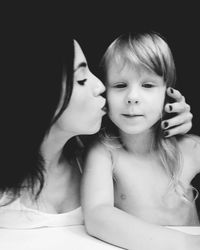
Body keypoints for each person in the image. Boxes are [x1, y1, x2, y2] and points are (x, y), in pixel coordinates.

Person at [0, 29, 193, 229]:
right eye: (82, 79)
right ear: (42, 94)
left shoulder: (98, 156)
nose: (101, 86)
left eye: (148, 85)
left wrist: (169, 119)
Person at [81, 32, 200, 250]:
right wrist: (189, 244)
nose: (132, 96)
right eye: (119, 85)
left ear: (168, 92)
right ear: (104, 91)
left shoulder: (191, 148)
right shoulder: (104, 152)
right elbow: (98, 216)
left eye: (148, 85)